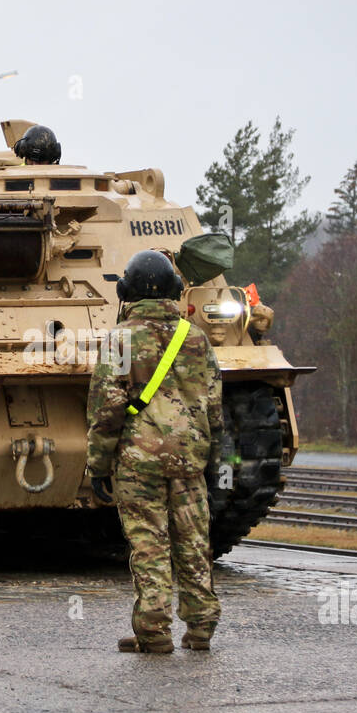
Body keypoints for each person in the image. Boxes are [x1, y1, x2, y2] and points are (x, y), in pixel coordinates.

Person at [86, 250, 224, 652]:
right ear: (175, 291)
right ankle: (201, 628)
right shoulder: (196, 338)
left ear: (126, 291)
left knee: (149, 545)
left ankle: (154, 631)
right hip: (189, 460)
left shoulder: (121, 340)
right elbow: (214, 404)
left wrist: (98, 463)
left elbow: (108, 407)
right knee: (194, 542)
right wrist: (211, 460)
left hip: (138, 462)